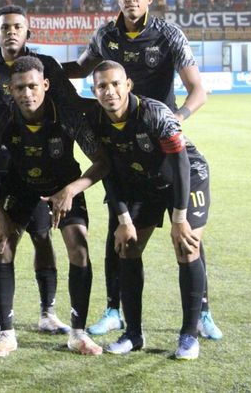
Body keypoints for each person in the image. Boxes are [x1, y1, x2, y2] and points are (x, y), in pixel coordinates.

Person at [64, 0, 222, 340]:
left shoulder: (167, 35)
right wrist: (40, 67)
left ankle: (202, 311)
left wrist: (175, 120)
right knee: (119, 228)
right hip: (122, 142)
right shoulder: (105, 36)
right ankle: (114, 310)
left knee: (187, 231)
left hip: (162, 142)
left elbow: (198, 89)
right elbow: (79, 69)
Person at [0, 56, 109, 357]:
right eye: (20, 88)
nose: (27, 93)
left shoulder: (68, 115)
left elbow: (102, 161)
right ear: (10, 89)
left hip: (63, 184)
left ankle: (78, 333)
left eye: (33, 86)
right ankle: (7, 335)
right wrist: (0, 217)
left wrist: (71, 190)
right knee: (2, 246)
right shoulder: (0, 117)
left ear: (45, 85)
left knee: (79, 247)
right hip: (20, 185)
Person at [0, 5, 80, 337]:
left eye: (17, 27)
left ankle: (47, 311)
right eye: (4, 27)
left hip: (38, 168)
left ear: (28, 33)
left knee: (42, 235)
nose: (11, 32)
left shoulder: (45, 67)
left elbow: (70, 107)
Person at [88, 61, 210, 360]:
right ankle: (133, 334)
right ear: (94, 91)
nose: (109, 91)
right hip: (144, 182)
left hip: (187, 176)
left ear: (128, 85)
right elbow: (108, 172)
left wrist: (179, 218)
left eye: (115, 84)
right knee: (128, 248)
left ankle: (189, 336)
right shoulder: (95, 122)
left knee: (186, 247)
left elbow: (180, 163)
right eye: (102, 86)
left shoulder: (154, 112)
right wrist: (123, 219)